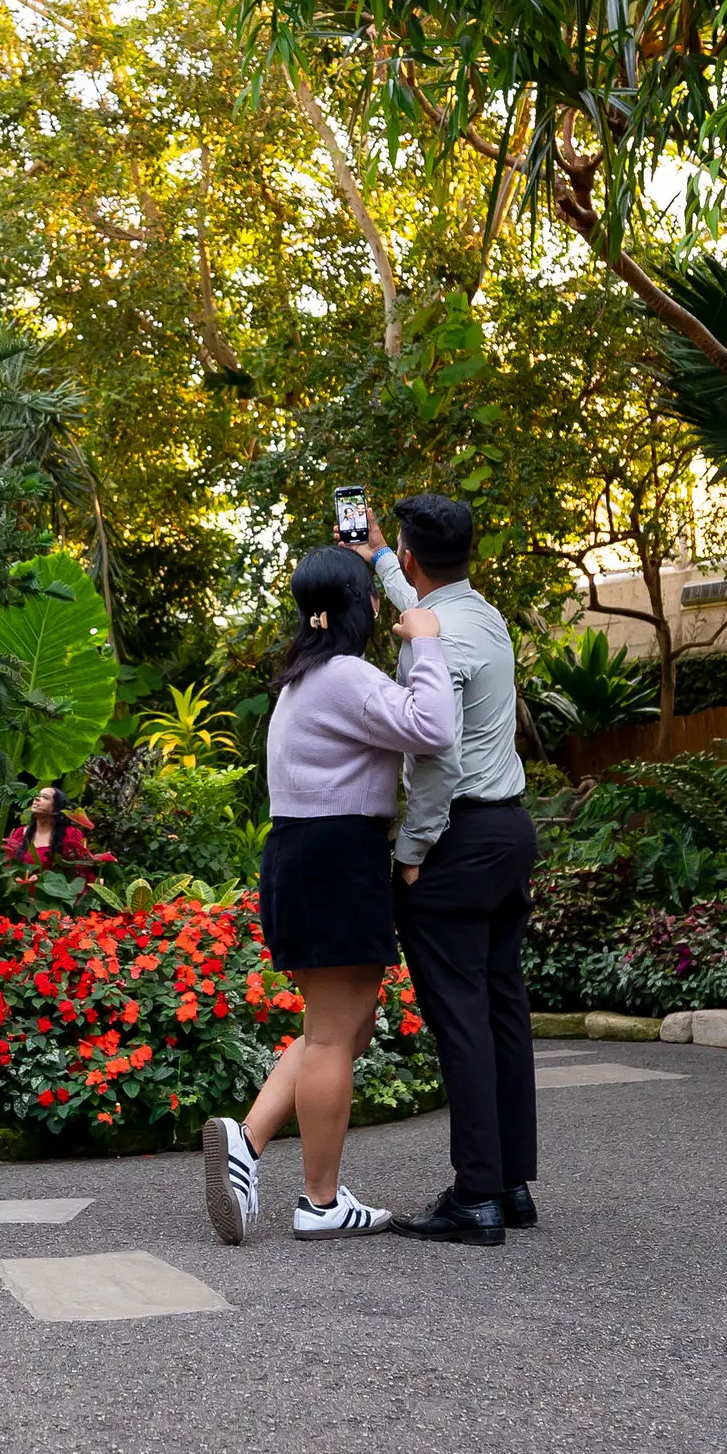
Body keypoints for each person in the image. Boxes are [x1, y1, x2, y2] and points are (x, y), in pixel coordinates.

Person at [202, 543, 448, 1244]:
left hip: (303, 855)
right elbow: (431, 727)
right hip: (338, 857)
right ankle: (318, 1199)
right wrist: (426, 644)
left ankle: (248, 1144)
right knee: (337, 1034)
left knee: (338, 1029)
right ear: (363, 606)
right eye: (375, 594)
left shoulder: (302, 678)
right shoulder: (343, 676)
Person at [367, 494, 538, 1248]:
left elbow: (435, 761)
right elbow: (416, 600)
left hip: (457, 840)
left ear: (414, 556)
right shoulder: (483, 616)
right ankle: (509, 1183)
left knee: (460, 1014)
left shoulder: (431, 646)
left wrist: (410, 854)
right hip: (510, 832)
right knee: (501, 1007)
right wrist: (377, 555)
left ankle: (474, 1199)